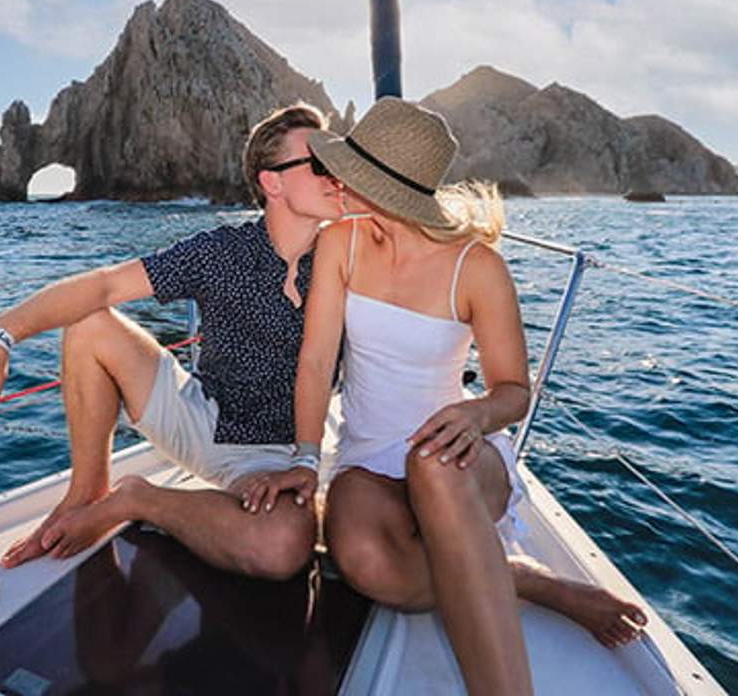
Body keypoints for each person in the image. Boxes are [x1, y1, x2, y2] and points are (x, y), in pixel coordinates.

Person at [240, 98, 648, 694]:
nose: (332, 181)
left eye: (345, 171)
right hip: (368, 462)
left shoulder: (477, 268)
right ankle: (526, 580)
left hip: (458, 460)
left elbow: (513, 392)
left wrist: (477, 412)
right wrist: (306, 459)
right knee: (364, 564)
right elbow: (316, 360)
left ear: (380, 188)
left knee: (429, 461)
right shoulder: (340, 243)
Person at [0, 103, 343, 579]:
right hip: (208, 425)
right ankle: (89, 491)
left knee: (282, 546)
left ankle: (140, 500)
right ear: (271, 181)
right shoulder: (220, 252)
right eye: (319, 164)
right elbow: (105, 285)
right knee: (90, 323)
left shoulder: (354, 256)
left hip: (303, 443)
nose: (336, 175)